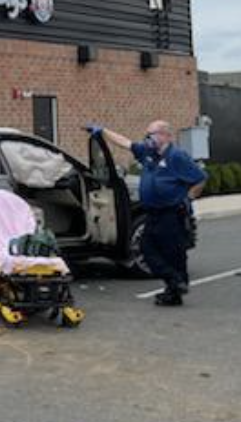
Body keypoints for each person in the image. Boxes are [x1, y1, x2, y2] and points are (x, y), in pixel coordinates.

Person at [87, 120, 206, 306]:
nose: (148, 137)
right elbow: (125, 143)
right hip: (153, 213)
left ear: (166, 135)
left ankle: (174, 292)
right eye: (147, 133)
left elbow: (199, 179)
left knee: (173, 253)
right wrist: (102, 131)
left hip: (172, 213)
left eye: (153, 133)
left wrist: (188, 199)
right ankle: (175, 281)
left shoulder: (177, 156)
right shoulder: (147, 153)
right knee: (147, 250)